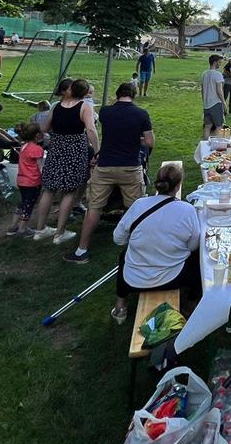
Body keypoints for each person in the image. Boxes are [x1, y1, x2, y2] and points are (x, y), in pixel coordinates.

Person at [63, 81, 154, 263]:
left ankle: (82, 250)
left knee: (94, 207)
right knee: (134, 208)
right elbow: (150, 142)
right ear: (134, 95)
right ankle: (137, 251)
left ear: (118, 94)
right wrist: (137, 139)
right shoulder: (141, 114)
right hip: (130, 166)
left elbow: (113, 130)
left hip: (105, 166)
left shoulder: (105, 112)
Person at [110, 162, 202, 324]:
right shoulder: (187, 210)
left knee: (124, 255)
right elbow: (193, 246)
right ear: (178, 186)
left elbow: (118, 239)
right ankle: (191, 304)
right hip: (172, 278)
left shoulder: (139, 205)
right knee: (197, 258)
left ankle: (121, 305)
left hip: (134, 279)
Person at [30, 78, 99, 245]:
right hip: (75, 149)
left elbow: (45, 128)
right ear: (83, 93)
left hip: (56, 148)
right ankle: (59, 234)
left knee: (49, 189)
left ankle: (40, 230)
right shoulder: (85, 107)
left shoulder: (56, 107)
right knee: (69, 191)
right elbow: (90, 129)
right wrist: (97, 150)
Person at [6, 124, 45, 237]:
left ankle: (13, 226)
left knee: (22, 203)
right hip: (32, 182)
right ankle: (23, 229)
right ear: (38, 135)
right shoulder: (37, 149)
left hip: (21, 180)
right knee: (28, 205)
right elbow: (40, 167)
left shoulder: (24, 146)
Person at [201, 54, 226, 139]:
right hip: (215, 103)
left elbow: (202, 90)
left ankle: (205, 144)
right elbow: (219, 91)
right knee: (219, 126)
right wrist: (224, 102)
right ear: (215, 62)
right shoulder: (217, 74)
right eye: (219, 62)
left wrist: (204, 101)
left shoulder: (204, 74)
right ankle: (213, 144)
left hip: (206, 104)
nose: (220, 64)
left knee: (208, 126)